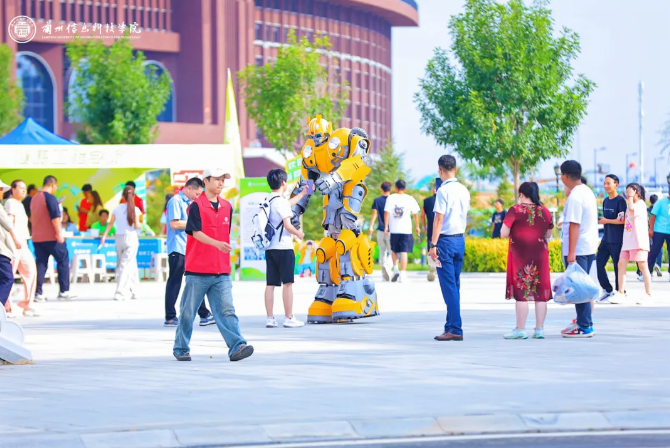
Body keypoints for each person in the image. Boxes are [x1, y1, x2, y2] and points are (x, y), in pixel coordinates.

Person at [173, 168, 254, 362]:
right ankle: (181, 348)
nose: (221, 183)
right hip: (197, 270)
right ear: (206, 181)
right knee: (188, 312)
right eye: (217, 179)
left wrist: (221, 247)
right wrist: (217, 244)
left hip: (221, 270)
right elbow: (195, 232)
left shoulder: (227, 206)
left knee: (227, 311)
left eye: (223, 180)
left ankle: (237, 346)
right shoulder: (195, 206)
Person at [500, 182, 553, 340]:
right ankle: (539, 329)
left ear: (521, 194)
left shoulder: (515, 210)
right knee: (540, 293)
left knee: (521, 293)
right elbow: (548, 234)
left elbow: (503, 233)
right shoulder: (545, 211)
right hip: (540, 255)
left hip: (520, 256)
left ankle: (520, 329)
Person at [428, 155, 470, 341]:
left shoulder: (443, 191)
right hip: (459, 240)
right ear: (455, 169)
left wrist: (433, 244)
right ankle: (450, 326)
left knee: (448, 287)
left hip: (445, 242)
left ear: (440, 170)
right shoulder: (464, 190)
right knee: (454, 285)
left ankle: (455, 328)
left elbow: (439, 219)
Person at [164, 178, 214, 327]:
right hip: (177, 248)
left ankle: (204, 314)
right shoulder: (176, 201)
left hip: (189, 249)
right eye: (197, 193)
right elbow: (174, 224)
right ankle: (170, 316)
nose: (197, 197)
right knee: (175, 282)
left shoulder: (189, 203)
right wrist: (195, 222)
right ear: (189, 188)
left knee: (195, 281)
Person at [559, 161, 598, 338]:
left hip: (579, 249)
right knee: (583, 287)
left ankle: (584, 325)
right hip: (588, 247)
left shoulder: (575, 196)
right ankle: (584, 321)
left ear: (565, 176)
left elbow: (574, 225)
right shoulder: (587, 191)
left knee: (578, 288)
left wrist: (571, 252)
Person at [264, 169, 307, 329]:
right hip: (284, 247)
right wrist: (298, 233)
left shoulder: (268, 199)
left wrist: (303, 193)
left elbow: (288, 204)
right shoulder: (281, 202)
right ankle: (289, 318)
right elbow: (288, 225)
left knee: (270, 284)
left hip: (270, 248)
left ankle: (270, 318)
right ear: (283, 183)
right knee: (287, 283)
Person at [31, 175, 76, 302]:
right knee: (63, 259)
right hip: (51, 237)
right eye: (56, 186)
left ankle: (38, 293)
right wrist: (59, 233)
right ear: (52, 184)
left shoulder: (35, 198)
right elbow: (55, 217)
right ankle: (64, 291)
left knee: (41, 264)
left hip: (37, 237)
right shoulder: (50, 198)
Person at [609, 183, 652, 305]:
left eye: (630, 192)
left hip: (638, 241)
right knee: (621, 263)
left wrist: (631, 198)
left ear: (637, 192)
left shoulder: (640, 204)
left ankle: (648, 294)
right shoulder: (630, 204)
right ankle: (621, 292)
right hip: (628, 240)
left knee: (643, 266)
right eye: (626, 192)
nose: (627, 194)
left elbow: (632, 209)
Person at [4, 180, 38, 316]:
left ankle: (27, 305)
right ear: (13, 189)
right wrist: (13, 239)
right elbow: (9, 223)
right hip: (14, 243)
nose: (24, 190)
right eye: (21, 188)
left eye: (25, 188)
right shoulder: (10, 203)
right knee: (9, 275)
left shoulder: (20, 204)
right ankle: (7, 307)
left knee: (31, 271)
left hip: (23, 243)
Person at [101, 186, 141, 301]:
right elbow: (137, 225)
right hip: (131, 238)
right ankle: (120, 292)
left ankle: (134, 290)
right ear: (133, 196)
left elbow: (110, 224)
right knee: (126, 265)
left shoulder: (117, 208)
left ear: (123, 196)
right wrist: (141, 224)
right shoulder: (135, 209)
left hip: (119, 238)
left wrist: (104, 236)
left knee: (129, 264)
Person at [596, 174, 627, 301]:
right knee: (598, 263)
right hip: (606, 239)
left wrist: (606, 221)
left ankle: (620, 292)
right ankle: (607, 289)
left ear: (616, 185)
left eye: (608, 183)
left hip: (617, 239)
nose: (606, 186)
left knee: (617, 266)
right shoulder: (605, 200)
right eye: (604, 183)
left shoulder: (620, 201)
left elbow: (622, 220)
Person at [384, 179, 421, 283]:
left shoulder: (391, 198)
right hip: (406, 229)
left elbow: (386, 213)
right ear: (405, 188)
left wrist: (386, 226)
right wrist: (417, 227)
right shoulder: (410, 199)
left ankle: (395, 269)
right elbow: (415, 214)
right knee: (404, 251)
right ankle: (403, 274)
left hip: (394, 229)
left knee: (394, 250)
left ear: (395, 188)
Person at [0, 180, 24, 311]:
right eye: (0, 189)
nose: (2, 192)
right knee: (7, 278)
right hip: (1, 249)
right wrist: (16, 240)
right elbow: (9, 224)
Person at [368, 181, 392, 281]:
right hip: (391, 230)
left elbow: (374, 214)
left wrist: (371, 226)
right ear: (390, 190)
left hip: (380, 229)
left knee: (382, 251)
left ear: (381, 190)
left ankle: (383, 274)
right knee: (392, 251)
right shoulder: (393, 200)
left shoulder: (377, 200)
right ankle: (387, 266)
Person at [422, 178, 442, 281]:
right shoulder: (443, 199)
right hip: (442, 228)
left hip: (431, 228)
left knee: (431, 246)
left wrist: (424, 226)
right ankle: (440, 269)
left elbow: (422, 215)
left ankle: (432, 267)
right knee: (440, 247)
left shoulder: (427, 201)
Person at [648, 190, 670, 282]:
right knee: (654, 251)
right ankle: (648, 272)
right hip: (659, 231)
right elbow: (653, 217)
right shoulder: (660, 202)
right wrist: (651, 229)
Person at [647, 194, 663, 277]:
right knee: (659, 249)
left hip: (647, 231)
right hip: (658, 231)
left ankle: (650, 270)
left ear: (650, 201)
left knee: (649, 250)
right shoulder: (659, 210)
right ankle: (658, 264)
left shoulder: (647, 210)